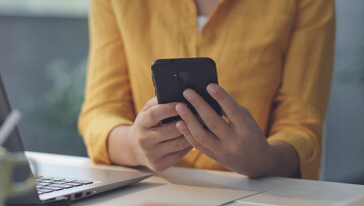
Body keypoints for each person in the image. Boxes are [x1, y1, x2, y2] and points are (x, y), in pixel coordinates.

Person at [78, 0, 335, 179]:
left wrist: (264, 160)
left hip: (256, 201)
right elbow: (100, 113)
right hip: (153, 196)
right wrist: (134, 146)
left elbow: (301, 126)